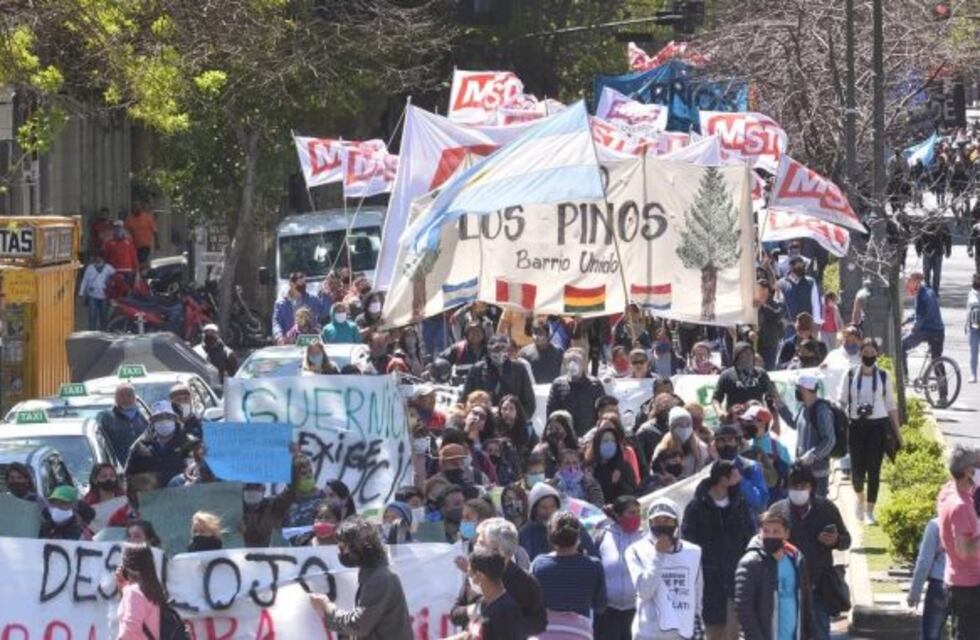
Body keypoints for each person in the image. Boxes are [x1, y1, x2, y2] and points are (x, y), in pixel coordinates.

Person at [776, 463, 851, 640]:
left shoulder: (827, 509)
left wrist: (835, 541)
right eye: (794, 486)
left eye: (803, 486)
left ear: (811, 487)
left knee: (819, 633)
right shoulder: (777, 511)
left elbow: (846, 540)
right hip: (786, 589)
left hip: (819, 586)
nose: (798, 490)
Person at [309, 517, 413, 640]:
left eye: (343, 547)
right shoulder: (372, 576)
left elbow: (359, 625)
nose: (341, 552)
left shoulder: (380, 579)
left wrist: (327, 607)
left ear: (361, 546)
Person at [681, 460, 753, 640]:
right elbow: (688, 543)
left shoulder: (740, 504)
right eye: (735, 473)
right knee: (712, 632)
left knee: (733, 631)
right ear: (723, 479)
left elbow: (748, 537)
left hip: (735, 578)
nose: (739, 477)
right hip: (707, 582)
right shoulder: (696, 507)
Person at [838, 338, 902, 524]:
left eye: (872, 353)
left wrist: (898, 433)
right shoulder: (850, 375)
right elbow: (841, 401)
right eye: (865, 353)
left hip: (877, 426)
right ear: (860, 354)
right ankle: (860, 498)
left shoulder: (883, 375)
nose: (868, 356)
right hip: (856, 426)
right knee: (856, 472)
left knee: (874, 469)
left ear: (877, 354)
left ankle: (870, 511)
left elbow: (891, 405)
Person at [625, 497, 704, 640]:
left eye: (667, 520)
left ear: (677, 522)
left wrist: (697, 627)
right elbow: (644, 591)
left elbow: (696, 593)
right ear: (650, 523)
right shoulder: (635, 550)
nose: (662, 525)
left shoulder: (693, 552)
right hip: (648, 634)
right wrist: (658, 555)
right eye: (657, 521)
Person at [734, 505, 813, 640]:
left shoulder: (797, 560)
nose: (770, 535)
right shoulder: (751, 563)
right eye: (766, 531)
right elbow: (743, 608)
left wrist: (810, 634)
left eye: (776, 531)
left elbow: (805, 600)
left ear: (786, 534)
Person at [531, 511, 607, 636]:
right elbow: (600, 606)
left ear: (550, 536)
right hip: (580, 632)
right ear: (578, 536)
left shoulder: (538, 564)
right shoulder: (594, 565)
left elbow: (532, 603)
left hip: (544, 632)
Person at [937, 445, 980, 638]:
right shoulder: (960, 506)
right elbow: (963, 550)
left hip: (960, 582)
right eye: (977, 465)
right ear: (968, 471)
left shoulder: (949, 491)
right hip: (968, 587)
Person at [447, 550, 527, 640]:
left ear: (479, 576)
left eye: (469, 573)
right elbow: (472, 634)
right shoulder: (483, 603)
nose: (468, 577)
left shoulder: (507, 611)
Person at [594, 496, 645, 639]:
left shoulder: (644, 537)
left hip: (636, 611)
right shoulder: (603, 535)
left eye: (638, 512)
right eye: (631, 513)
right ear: (617, 514)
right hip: (607, 612)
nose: (636, 517)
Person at [519, 482, 597, 561]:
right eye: (544, 507)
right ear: (534, 509)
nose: (549, 511)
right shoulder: (526, 533)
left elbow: (592, 554)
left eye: (552, 506)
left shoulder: (571, 524)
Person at [125, 400, 195, 488]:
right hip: (151, 498)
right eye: (159, 417)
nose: (164, 420)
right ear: (152, 421)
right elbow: (128, 478)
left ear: (175, 418)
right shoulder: (139, 446)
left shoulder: (190, 443)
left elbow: (200, 473)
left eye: (168, 416)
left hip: (184, 497)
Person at [462, 333, 536, 416]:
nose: (500, 352)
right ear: (489, 350)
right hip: (484, 421)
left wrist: (515, 419)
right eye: (496, 349)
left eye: (503, 348)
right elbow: (464, 400)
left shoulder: (519, 369)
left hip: (511, 421)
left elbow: (529, 404)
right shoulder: (477, 370)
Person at [546, 348, 606, 439]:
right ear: (565, 364)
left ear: (583, 363)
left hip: (590, 437)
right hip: (565, 438)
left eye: (576, 360)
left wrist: (594, 433)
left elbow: (603, 411)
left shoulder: (595, 384)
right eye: (569, 361)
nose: (572, 364)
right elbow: (551, 412)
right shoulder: (558, 384)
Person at [713, 423, 769, 518]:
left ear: (737, 443)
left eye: (730, 440)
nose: (726, 445)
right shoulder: (710, 470)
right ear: (716, 445)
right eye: (721, 441)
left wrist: (741, 481)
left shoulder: (751, 467)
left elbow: (760, 501)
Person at [793, 373, 836, 497]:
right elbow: (794, 423)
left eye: (799, 388)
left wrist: (812, 455)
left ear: (807, 390)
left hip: (818, 473)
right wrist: (779, 406)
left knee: (818, 509)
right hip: (803, 471)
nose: (797, 391)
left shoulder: (822, 410)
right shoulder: (803, 408)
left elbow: (829, 440)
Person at [907, 517, 949, 640]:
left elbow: (924, 562)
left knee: (931, 634)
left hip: (940, 583)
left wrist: (915, 593)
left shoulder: (936, 524)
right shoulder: (973, 523)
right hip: (969, 585)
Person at [712, 342, 777, 418]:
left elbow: (771, 396)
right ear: (737, 357)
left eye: (750, 354)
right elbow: (716, 399)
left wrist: (772, 411)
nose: (748, 357)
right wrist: (719, 411)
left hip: (757, 418)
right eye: (744, 354)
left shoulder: (761, 373)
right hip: (735, 417)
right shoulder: (727, 375)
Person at [902, 270, 945, 383]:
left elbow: (920, 319)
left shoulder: (922, 296)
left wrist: (911, 329)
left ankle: (904, 376)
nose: (907, 285)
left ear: (916, 282)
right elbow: (919, 313)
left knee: (901, 346)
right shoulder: (928, 291)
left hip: (927, 330)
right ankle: (943, 395)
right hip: (938, 330)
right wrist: (905, 321)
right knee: (937, 360)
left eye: (909, 282)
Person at [115, 544, 166, 639]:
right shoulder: (152, 590)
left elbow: (131, 629)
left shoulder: (134, 592)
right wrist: (124, 588)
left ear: (127, 567)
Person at [98, 383, 150, 464]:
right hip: (119, 466)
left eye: (129, 395)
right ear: (115, 398)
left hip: (143, 465)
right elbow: (103, 443)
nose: (125, 399)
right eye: (122, 396)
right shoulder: (108, 418)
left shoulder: (143, 416)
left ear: (134, 398)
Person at [777, 254, 823, 334]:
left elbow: (816, 304)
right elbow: (778, 304)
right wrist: (781, 321)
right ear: (791, 267)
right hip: (788, 327)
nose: (802, 268)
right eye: (799, 265)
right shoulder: (781, 284)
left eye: (802, 265)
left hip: (807, 327)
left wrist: (816, 323)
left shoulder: (810, 282)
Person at [272, 271, 315, 344]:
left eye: (304, 285)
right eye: (300, 285)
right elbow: (276, 322)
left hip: (308, 342)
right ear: (291, 284)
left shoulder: (312, 300)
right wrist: (279, 337)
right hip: (288, 343)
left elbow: (324, 312)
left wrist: (326, 296)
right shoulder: (280, 304)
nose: (302, 287)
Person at [915, 214, 952, 295]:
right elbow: (918, 238)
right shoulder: (924, 225)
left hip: (937, 252)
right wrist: (918, 250)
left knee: (935, 272)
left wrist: (948, 250)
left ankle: (935, 290)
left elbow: (948, 238)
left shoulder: (942, 226)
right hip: (928, 251)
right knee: (928, 272)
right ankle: (929, 288)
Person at [78, 252, 116, 330]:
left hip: (104, 296)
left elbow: (115, 277)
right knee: (92, 316)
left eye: (100, 257)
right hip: (92, 295)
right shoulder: (90, 268)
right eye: (97, 257)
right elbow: (85, 280)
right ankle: (92, 333)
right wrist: (81, 293)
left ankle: (103, 332)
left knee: (103, 316)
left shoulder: (109, 268)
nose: (98, 259)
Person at [967, 273, 980, 383]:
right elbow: (968, 311)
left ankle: (973, 374)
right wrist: (966, 325)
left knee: (974, 351)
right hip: (973, 326)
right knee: (973, 351)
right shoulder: (971, 293)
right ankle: (973, 374)